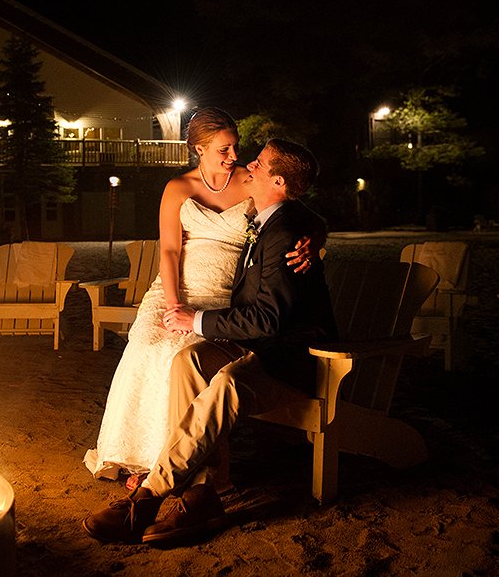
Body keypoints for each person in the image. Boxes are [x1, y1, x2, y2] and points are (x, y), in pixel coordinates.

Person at [84, 138, 336, 546]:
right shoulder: (273, 218)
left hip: (293, 357)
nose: (245, 164)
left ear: (275, 179)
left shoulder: (289, 231)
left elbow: (270, 319)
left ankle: (148, 497)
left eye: (257, 161)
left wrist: (195, 318)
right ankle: (202, 495)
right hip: (260, 338)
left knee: (227, 384)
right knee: (189, 360)